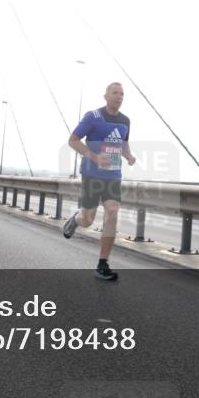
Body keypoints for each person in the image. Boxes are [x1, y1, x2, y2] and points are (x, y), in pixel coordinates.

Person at [62, 82, 135, 281]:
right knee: (88, 220)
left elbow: (123, 143)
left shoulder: (125, 121)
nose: (119, 96)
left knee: (112, 212)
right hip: (92, 175)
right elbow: (73, 140)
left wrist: (129, 155)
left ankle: (103, 264)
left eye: (122, 94)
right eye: (115, 93)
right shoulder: (92, 116)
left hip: (113, 176)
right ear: (106, 96)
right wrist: (95, 157)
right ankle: (76, 219)